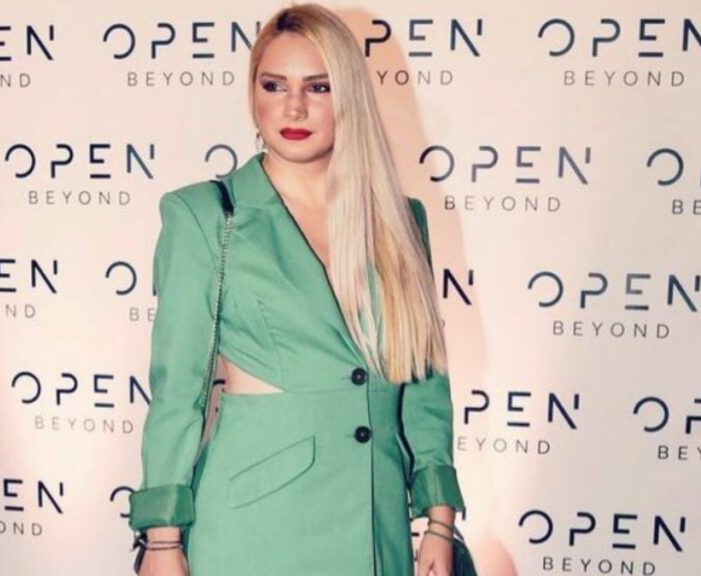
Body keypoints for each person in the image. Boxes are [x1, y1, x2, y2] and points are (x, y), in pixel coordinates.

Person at [129, 3, 465, 575]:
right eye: (274, 85)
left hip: (376, 523)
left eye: (318, 86)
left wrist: (439, 519)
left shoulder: (399, 219)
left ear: (349, 96)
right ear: (253, 94)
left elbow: (425, 380)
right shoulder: (206, 215)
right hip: (256, 527)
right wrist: (162, 541)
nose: (294, 106)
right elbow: (177, 390)